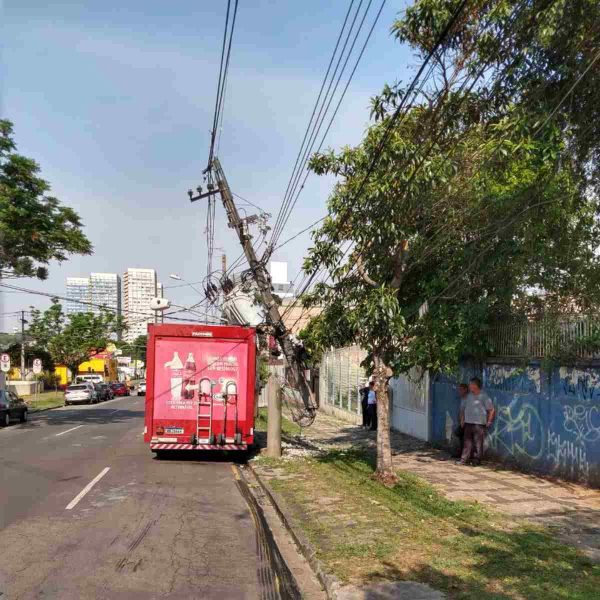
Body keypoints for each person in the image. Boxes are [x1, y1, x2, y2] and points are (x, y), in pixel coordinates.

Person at [458, 377, 495, 465]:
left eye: (471, 384)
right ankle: (464, 459)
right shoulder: (469, 396)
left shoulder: (484, 396)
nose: (470, 386)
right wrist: (462, 420)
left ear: (475, 385)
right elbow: (463, 408)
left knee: (478, 443)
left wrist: (489, 421)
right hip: (468, 422)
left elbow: (491, 409)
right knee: (467, 442)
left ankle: (477, 460)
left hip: (479, 424)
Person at [453, 383, 469, 458]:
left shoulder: (468, 399)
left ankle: (464, 454)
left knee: (458, 434)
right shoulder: (463, 398)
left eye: (461, 390)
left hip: (466, 422)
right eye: (459, 390)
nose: (459, 391)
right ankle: (461, 453)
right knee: (461, 437)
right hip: (462, 421)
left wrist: (463, 420)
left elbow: (466, 411)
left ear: (466, 390)